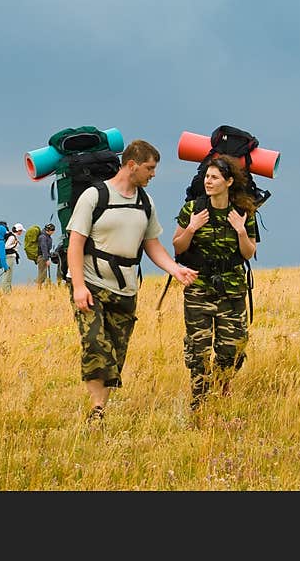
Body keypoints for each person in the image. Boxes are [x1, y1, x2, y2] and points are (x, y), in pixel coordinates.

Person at [66, 139, 198, 425]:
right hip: (92, 283)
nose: (153, 174)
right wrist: (78, 286)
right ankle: (97, 410)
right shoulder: (94, 196)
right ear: (131, 165)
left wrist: (175, 269)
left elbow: (152, 245)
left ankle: (100, 406)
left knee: (115, 352)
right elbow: (75, 244)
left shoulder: (145, 202)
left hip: (126, 288)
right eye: (149, 168)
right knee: (95, 344)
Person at [172, 154, 258, 412]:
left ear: (229, 181)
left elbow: (248, 253)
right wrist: (192, 228)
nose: (208, 181)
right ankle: (199, 402)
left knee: (231, 348)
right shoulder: (192, 209)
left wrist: (241, 230)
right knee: (198, 348)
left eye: (214, 177)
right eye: (207, 177)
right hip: (199, 288)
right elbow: (178, 247)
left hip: (231, 290)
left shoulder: (243, 212)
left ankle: (222, 391)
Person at [1, 222, 24, 293]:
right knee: (7, 275)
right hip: (9, 257)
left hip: (10, 257)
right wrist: (14, 245)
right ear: (18, 231)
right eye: (21, 231)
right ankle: (6, 292)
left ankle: (8, 291)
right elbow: (5, 247)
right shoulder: (12, 237)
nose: (22, 232)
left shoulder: (12, 236)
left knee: (8, 275)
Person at [36, 223, 56, 288]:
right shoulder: (43, 237)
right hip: (42, 257)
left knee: (43, 273)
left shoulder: (46, 236)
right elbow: (44, 248)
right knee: (42, 273)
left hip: (44, 256)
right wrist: (46, 259)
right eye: (52, 231)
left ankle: (40, 287)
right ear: (50, 231)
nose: (53, 232)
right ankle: (39, 288)